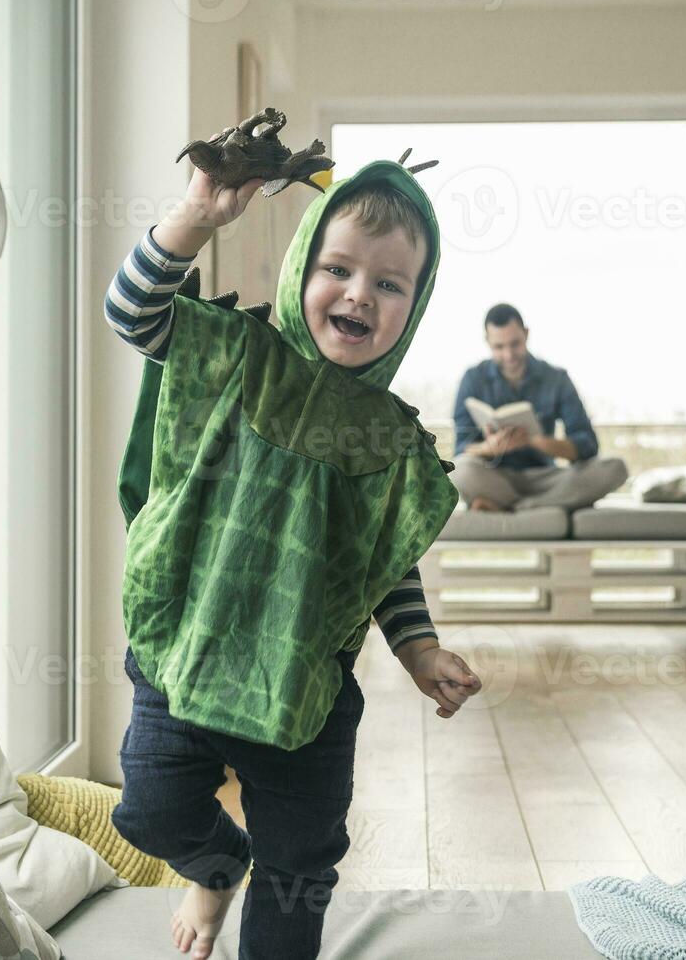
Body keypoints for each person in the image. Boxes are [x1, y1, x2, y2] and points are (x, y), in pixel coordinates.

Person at [103, 151, 481, 959]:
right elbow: (132, 312)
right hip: (186, 653)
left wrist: (419, 649)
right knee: (149, 814)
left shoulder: (389, 437)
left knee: (301, 864)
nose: (359, 294)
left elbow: (381, 561)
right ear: (301, 265)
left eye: (390, 284)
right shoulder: (233, 355)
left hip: (302, 690)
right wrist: (193, 220)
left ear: (414, 308)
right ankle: (216, 866)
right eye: (338, 268)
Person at [451, 303, 628, 512]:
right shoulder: (473, 379)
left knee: (615, 467)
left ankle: (514, 508)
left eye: (515, 344)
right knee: (460, 471)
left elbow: (587, 445)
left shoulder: (556, 378)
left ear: (526, 334)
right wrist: (488, 448)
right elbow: (462, 448)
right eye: (499, 347)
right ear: (487, 342)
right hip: (496, 477)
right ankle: (550, 504)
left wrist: (535, 441)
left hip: (547, 477)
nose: (508, 355)